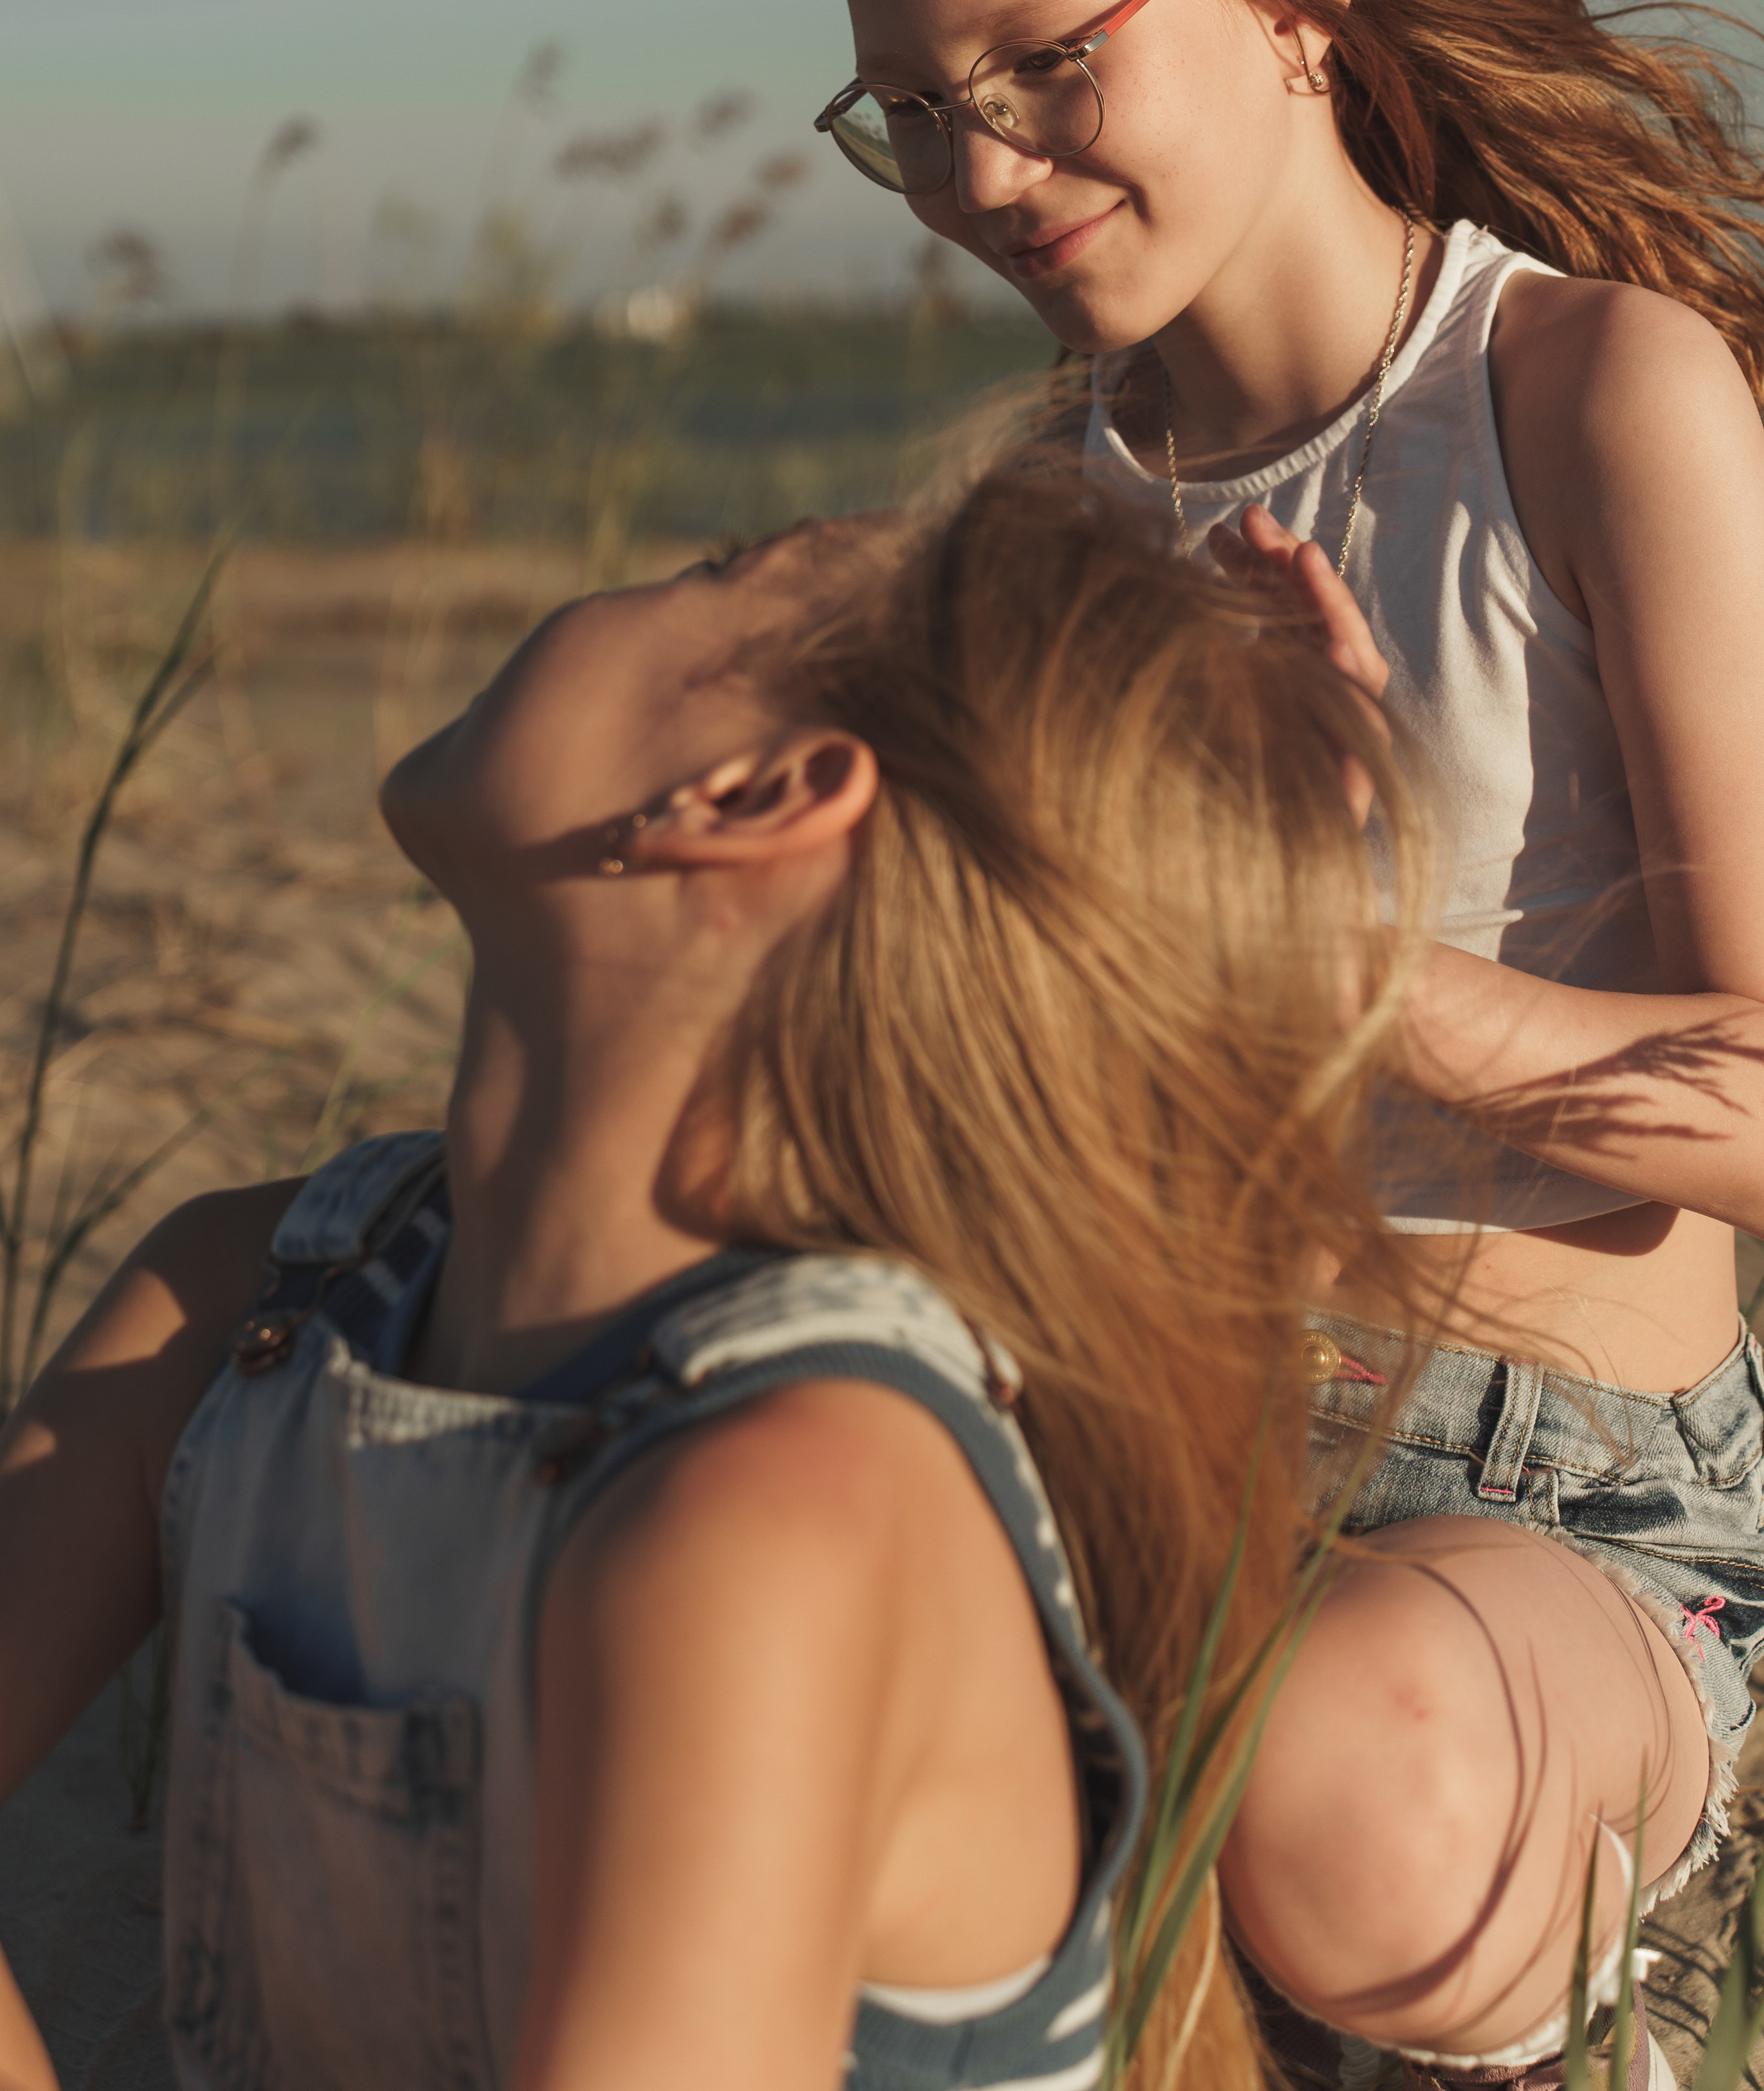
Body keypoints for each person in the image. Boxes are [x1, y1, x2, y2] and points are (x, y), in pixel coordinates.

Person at [814, 0, 1764, 2087]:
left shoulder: (1582, 394)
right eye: (913, 110)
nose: (984, 175)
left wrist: (1368, 976)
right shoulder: (1032, 517)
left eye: (1046, 63)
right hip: (1132, 1443)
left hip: (1557, 1513)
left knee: (1334, 1782)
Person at [0, 471, 1415, 2091]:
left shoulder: (782, 1511)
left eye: (716, 567)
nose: (646, 572)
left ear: (751, 794)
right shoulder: (253, 1298)